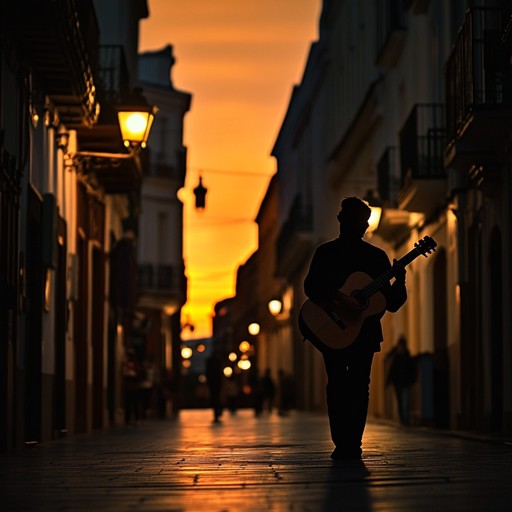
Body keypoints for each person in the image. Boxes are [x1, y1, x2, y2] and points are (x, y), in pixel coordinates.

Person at [303, 196, 407, 460]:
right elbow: (311, 288)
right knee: (343, 384)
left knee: (355, 385)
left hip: (364, 332)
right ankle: (344, 442)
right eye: (357, 222)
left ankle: (350, 443)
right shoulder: (326, 253)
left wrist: (400, 281)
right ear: (344, 221)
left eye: (361, 223)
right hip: (334, 330)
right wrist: (340, 298)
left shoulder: (376, 258)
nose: (359, 227)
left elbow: (391, 303)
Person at [386, 336, 416, 425]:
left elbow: (412, 369)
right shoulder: (397, 357)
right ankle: (403, 420)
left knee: (405, 402)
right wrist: (389, 380)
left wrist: (413, 379)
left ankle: (405, 420)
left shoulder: (408, 356)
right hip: (398, 383)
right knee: (400, 401)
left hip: (405, 382)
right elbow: (392, 370)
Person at [206, 349, 224, 423]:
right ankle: (217, 412)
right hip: (216, 382)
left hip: (213, 383)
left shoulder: (210, 361)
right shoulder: (217, 361)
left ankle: (217, 412)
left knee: (215, 398)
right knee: (216, 398)